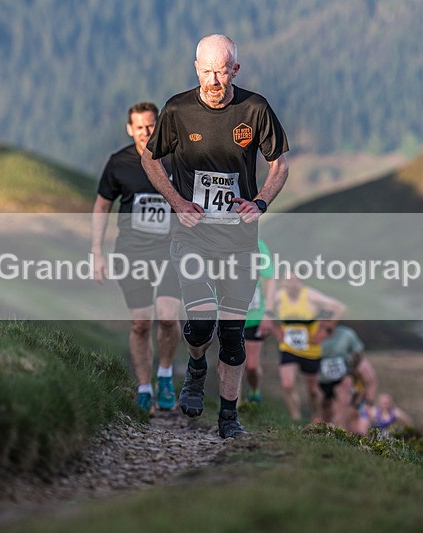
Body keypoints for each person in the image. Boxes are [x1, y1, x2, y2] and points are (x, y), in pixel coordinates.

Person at [141, 34, 289, 438]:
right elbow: (150, 159)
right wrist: (176, 201)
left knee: (232, 337)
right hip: (192, 237)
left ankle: (228, 418)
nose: (213, 78)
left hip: (239, 241)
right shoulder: (178, 109)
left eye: (221, 70)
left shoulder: (255, 109)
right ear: (196, 69)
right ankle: (195, 368)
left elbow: (279, 166)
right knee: (202, 323)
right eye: (206, 70)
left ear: (235, 70)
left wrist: (259, 203)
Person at [91, 102, 182, 413]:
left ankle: (166, 375)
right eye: (139, 126)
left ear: (159, 126)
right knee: (141, 323)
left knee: (168, 315)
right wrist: (96, 252)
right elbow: (102, 206)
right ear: (130, 129)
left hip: (172, 249)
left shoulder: (175, 158)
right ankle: (144, 387)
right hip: (132, 251)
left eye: (151, 125)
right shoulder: (119, 163)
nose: (146, 131)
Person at [272, 275, 346, 421]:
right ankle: (296, 418)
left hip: (310, 348)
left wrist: (326, 330)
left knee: (312, 390)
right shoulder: (279, 297)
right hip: (288, 347)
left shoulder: (311, 296)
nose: (287, 283)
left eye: (291, 280)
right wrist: (276, 330)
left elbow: (339, 307)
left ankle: (315, 416)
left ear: (300, 282)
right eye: (285, 280)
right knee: (287, 384)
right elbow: (266, 309)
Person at [317, 324, 378, 433]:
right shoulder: (341, 367)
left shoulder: (361, 365)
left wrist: (367, 403)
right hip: (344, 398)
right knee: (337, 414)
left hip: (359, 402)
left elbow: (371, 382)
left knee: (359, 429)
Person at [242, 239, 276, 404]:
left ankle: (254, 390)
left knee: (251, 366)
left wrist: (268, 313)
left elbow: (269, 280)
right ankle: (231, 408)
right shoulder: (220, 240)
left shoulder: (259, 245)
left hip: (254, 315)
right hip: (226, 313)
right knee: (229, 363)